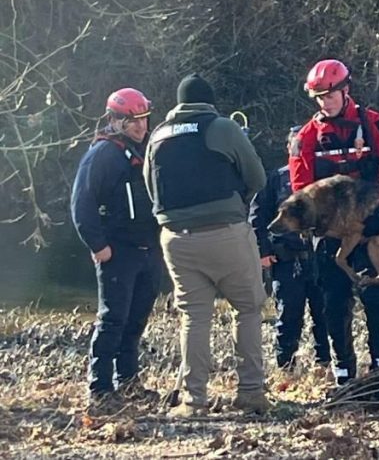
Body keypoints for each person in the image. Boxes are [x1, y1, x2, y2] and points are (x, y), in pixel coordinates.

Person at [143, 74, 269, 417]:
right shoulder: (223, 128)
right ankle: (250, 393)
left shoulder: (158, 136)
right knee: (247, 308)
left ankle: (193, 400)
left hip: (175, 239)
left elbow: (151, 191)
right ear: (209, 102)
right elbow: (257, 178)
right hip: (226, 232)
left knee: (194, 317)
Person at [289, 58, 379, 388]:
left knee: (378, 296)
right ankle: (344, 370)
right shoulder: (306, 138)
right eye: (318, 97)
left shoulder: (375, 125)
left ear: (346, 91)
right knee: (333, 301)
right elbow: (301, 188)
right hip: (330, 234)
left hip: (372, 227)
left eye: (329, 95)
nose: (324, 103)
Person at [71, 87, 163, 411]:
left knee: (136, 320)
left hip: (148, 250)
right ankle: (100, 387)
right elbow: (81, 203)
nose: (141, 126)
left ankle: (129, 382)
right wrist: (98, 246)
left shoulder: (143, 150)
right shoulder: (102, 155)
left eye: (144, 119)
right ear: (116, 120)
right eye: (133, 121)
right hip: (118, 252)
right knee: (112, 320)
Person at [250, 126, 331, 373]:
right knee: (288, 317)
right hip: (287, 260)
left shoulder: (324, 180)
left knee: (326, 315)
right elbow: (257, 218)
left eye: (305, 145)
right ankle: (286, 368)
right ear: (288, 148)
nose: (300, 149)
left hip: (321, 259)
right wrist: (262, 252)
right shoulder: (274, 179)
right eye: (296, 145)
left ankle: (325, 366)